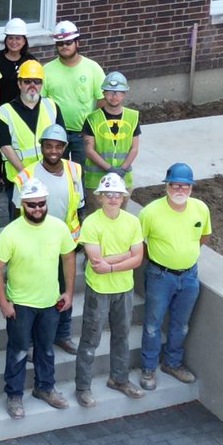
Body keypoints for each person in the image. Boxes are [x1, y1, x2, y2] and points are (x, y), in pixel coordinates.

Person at [0, 178, 76, 418]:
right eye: (32, 205)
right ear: (22, 205)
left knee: (46, 349)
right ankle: (14, 395)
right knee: (18, 350)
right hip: (21, 305)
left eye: (41, 204)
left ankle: (45, 388)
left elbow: (69, 257)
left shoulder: (58, 227)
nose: (37, 209)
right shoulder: (11, 232)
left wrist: (68, 291)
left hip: (50, 303)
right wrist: (3, 303)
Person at [11, 123, 85, 355]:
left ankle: (62, 334)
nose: (53, 150)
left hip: (64, 243)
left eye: (58, 146)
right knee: (35, 292)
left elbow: (79, 206)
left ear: (64, 147)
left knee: (64, 289)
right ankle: (32, 340)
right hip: (34, 243)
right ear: (41, 147)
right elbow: (16, 213)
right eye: (48, 146)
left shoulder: (74, 170)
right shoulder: (26, 175)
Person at [138, 163, 211, 390]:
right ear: (167, 186)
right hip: (161, 276)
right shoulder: (150, 212)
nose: (179, 190)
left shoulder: (200, 209)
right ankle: (148, 369)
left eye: (184, 186)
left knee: (181, 325)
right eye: (175, 185)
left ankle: (172, 363)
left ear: (191, 188)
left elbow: (203, 236)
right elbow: (139, 242)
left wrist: (184, 257)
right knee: (152, 325)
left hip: (189, 276)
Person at [75, 173, 145, 407]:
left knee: (122, 336)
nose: (113, 198)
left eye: (117, 194)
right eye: (108, 194)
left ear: (123, 197)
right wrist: (127, 254)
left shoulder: (132, 222)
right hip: (99, 290)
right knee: (90, 339)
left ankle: (119, 379)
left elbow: (137, 259)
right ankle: (83, 387)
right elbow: (96, 263)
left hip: (124, 289)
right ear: (100, 197)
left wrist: (113, 263)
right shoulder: (92, 223)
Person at [0, 58, 65, 211]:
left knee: (50, 216)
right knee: (19, 221)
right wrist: (26, 174)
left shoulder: (52, 106)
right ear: (19, 84)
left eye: (37, 81)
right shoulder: (5, 112)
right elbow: (5, 146)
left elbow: (61, 140)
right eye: (27, 81)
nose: (32, 86)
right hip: (19, 179)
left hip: (49, 175)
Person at [42, 20, 105, 165]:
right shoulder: (47, 70)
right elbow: (42, 102)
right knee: (56, 171)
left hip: (82, 133)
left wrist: (90, 127)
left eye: (68, 42)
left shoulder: (92, 68)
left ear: (77, 42)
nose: (64, 46)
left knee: (81, 173)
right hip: (56, 133)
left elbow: (102, 99)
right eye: (60, 43)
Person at [82, 71, 141, 211]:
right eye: (109, 92)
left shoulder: (133, 117)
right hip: (96, 180)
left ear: (124, 94)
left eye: (118, 92)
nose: (114, 96)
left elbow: (134, 148)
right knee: (96, 217)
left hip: (122, 178)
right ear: (103, 93)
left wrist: (122, 169)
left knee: (119, 217)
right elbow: (89, 150)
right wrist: (110, 169)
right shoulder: (92, 118)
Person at [0, 17, 37, 193]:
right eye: (10, 38)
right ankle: (1, 177)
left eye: (18, 38)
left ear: (24, 40)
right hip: (3, 110)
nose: (14, 42)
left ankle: (23, 171)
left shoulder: (30, 61)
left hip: (23, 109)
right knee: (1, 144)